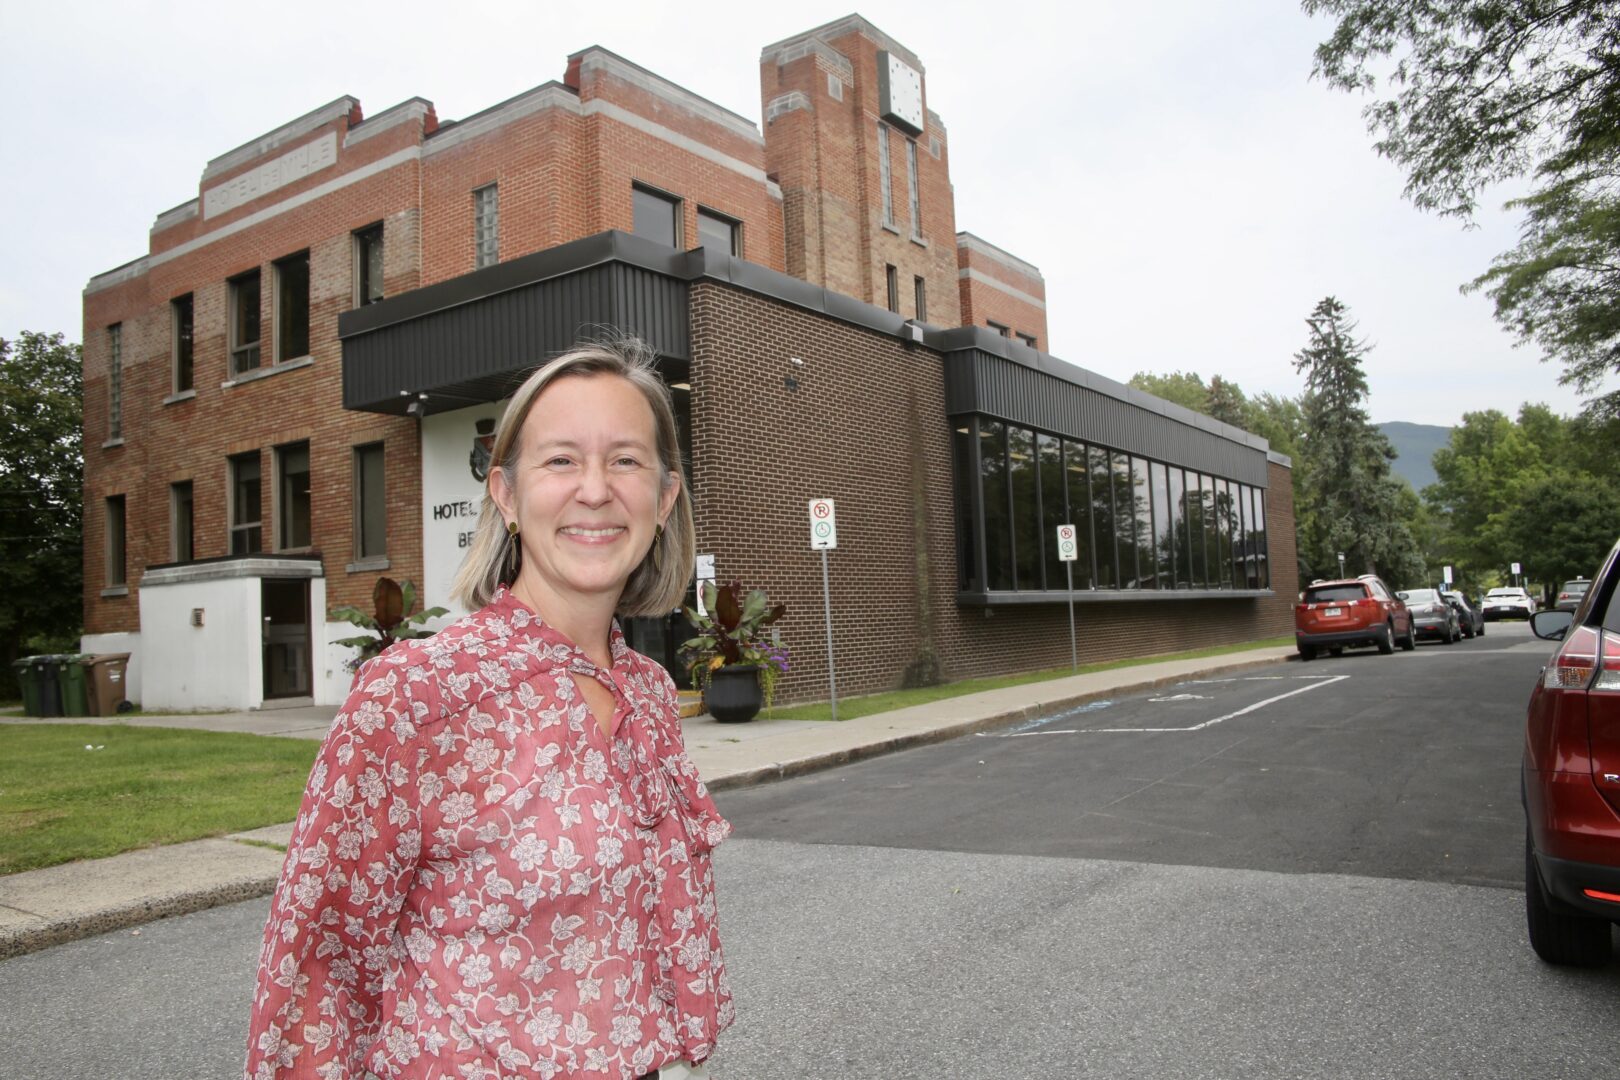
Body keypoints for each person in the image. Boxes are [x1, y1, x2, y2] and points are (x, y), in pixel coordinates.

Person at [245, 339, 732, 1080]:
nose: (595, 490)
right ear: (505, 494)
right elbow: (317, 962)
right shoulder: (420, 695)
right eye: (561, 460)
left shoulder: (651, 693)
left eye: (626, 460)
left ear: (664, 499)